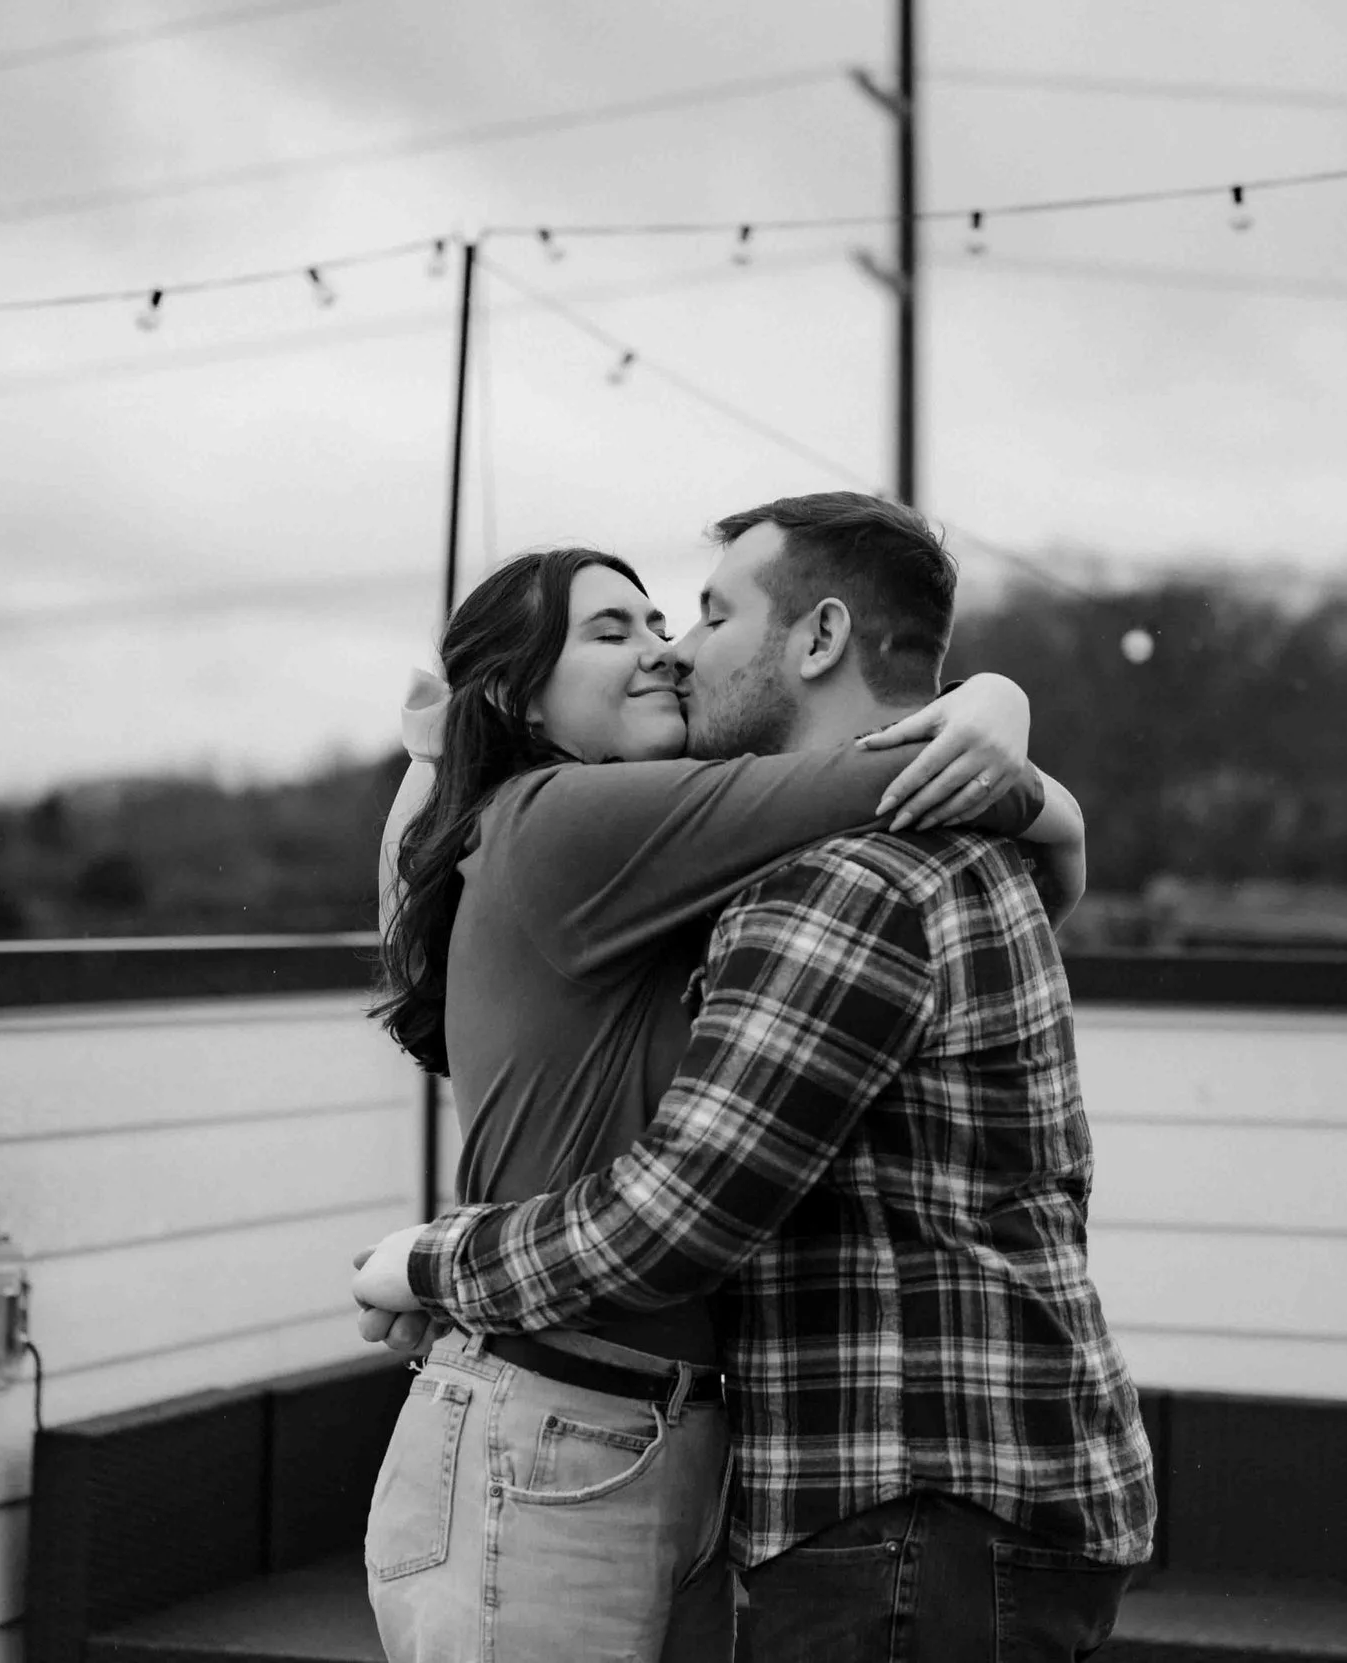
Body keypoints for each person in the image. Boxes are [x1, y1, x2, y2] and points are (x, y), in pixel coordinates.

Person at [355, 493, 1156, 1663]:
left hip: (741, 1451)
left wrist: (436, 1259)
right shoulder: (561, 822)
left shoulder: (789, 880)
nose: (669, 649)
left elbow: (677, 1213)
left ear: (819, 638)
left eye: (688, 617)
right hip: (562, 1423)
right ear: (517, 698)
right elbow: (875, 775)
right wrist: (1011, 749)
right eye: (610, 631)